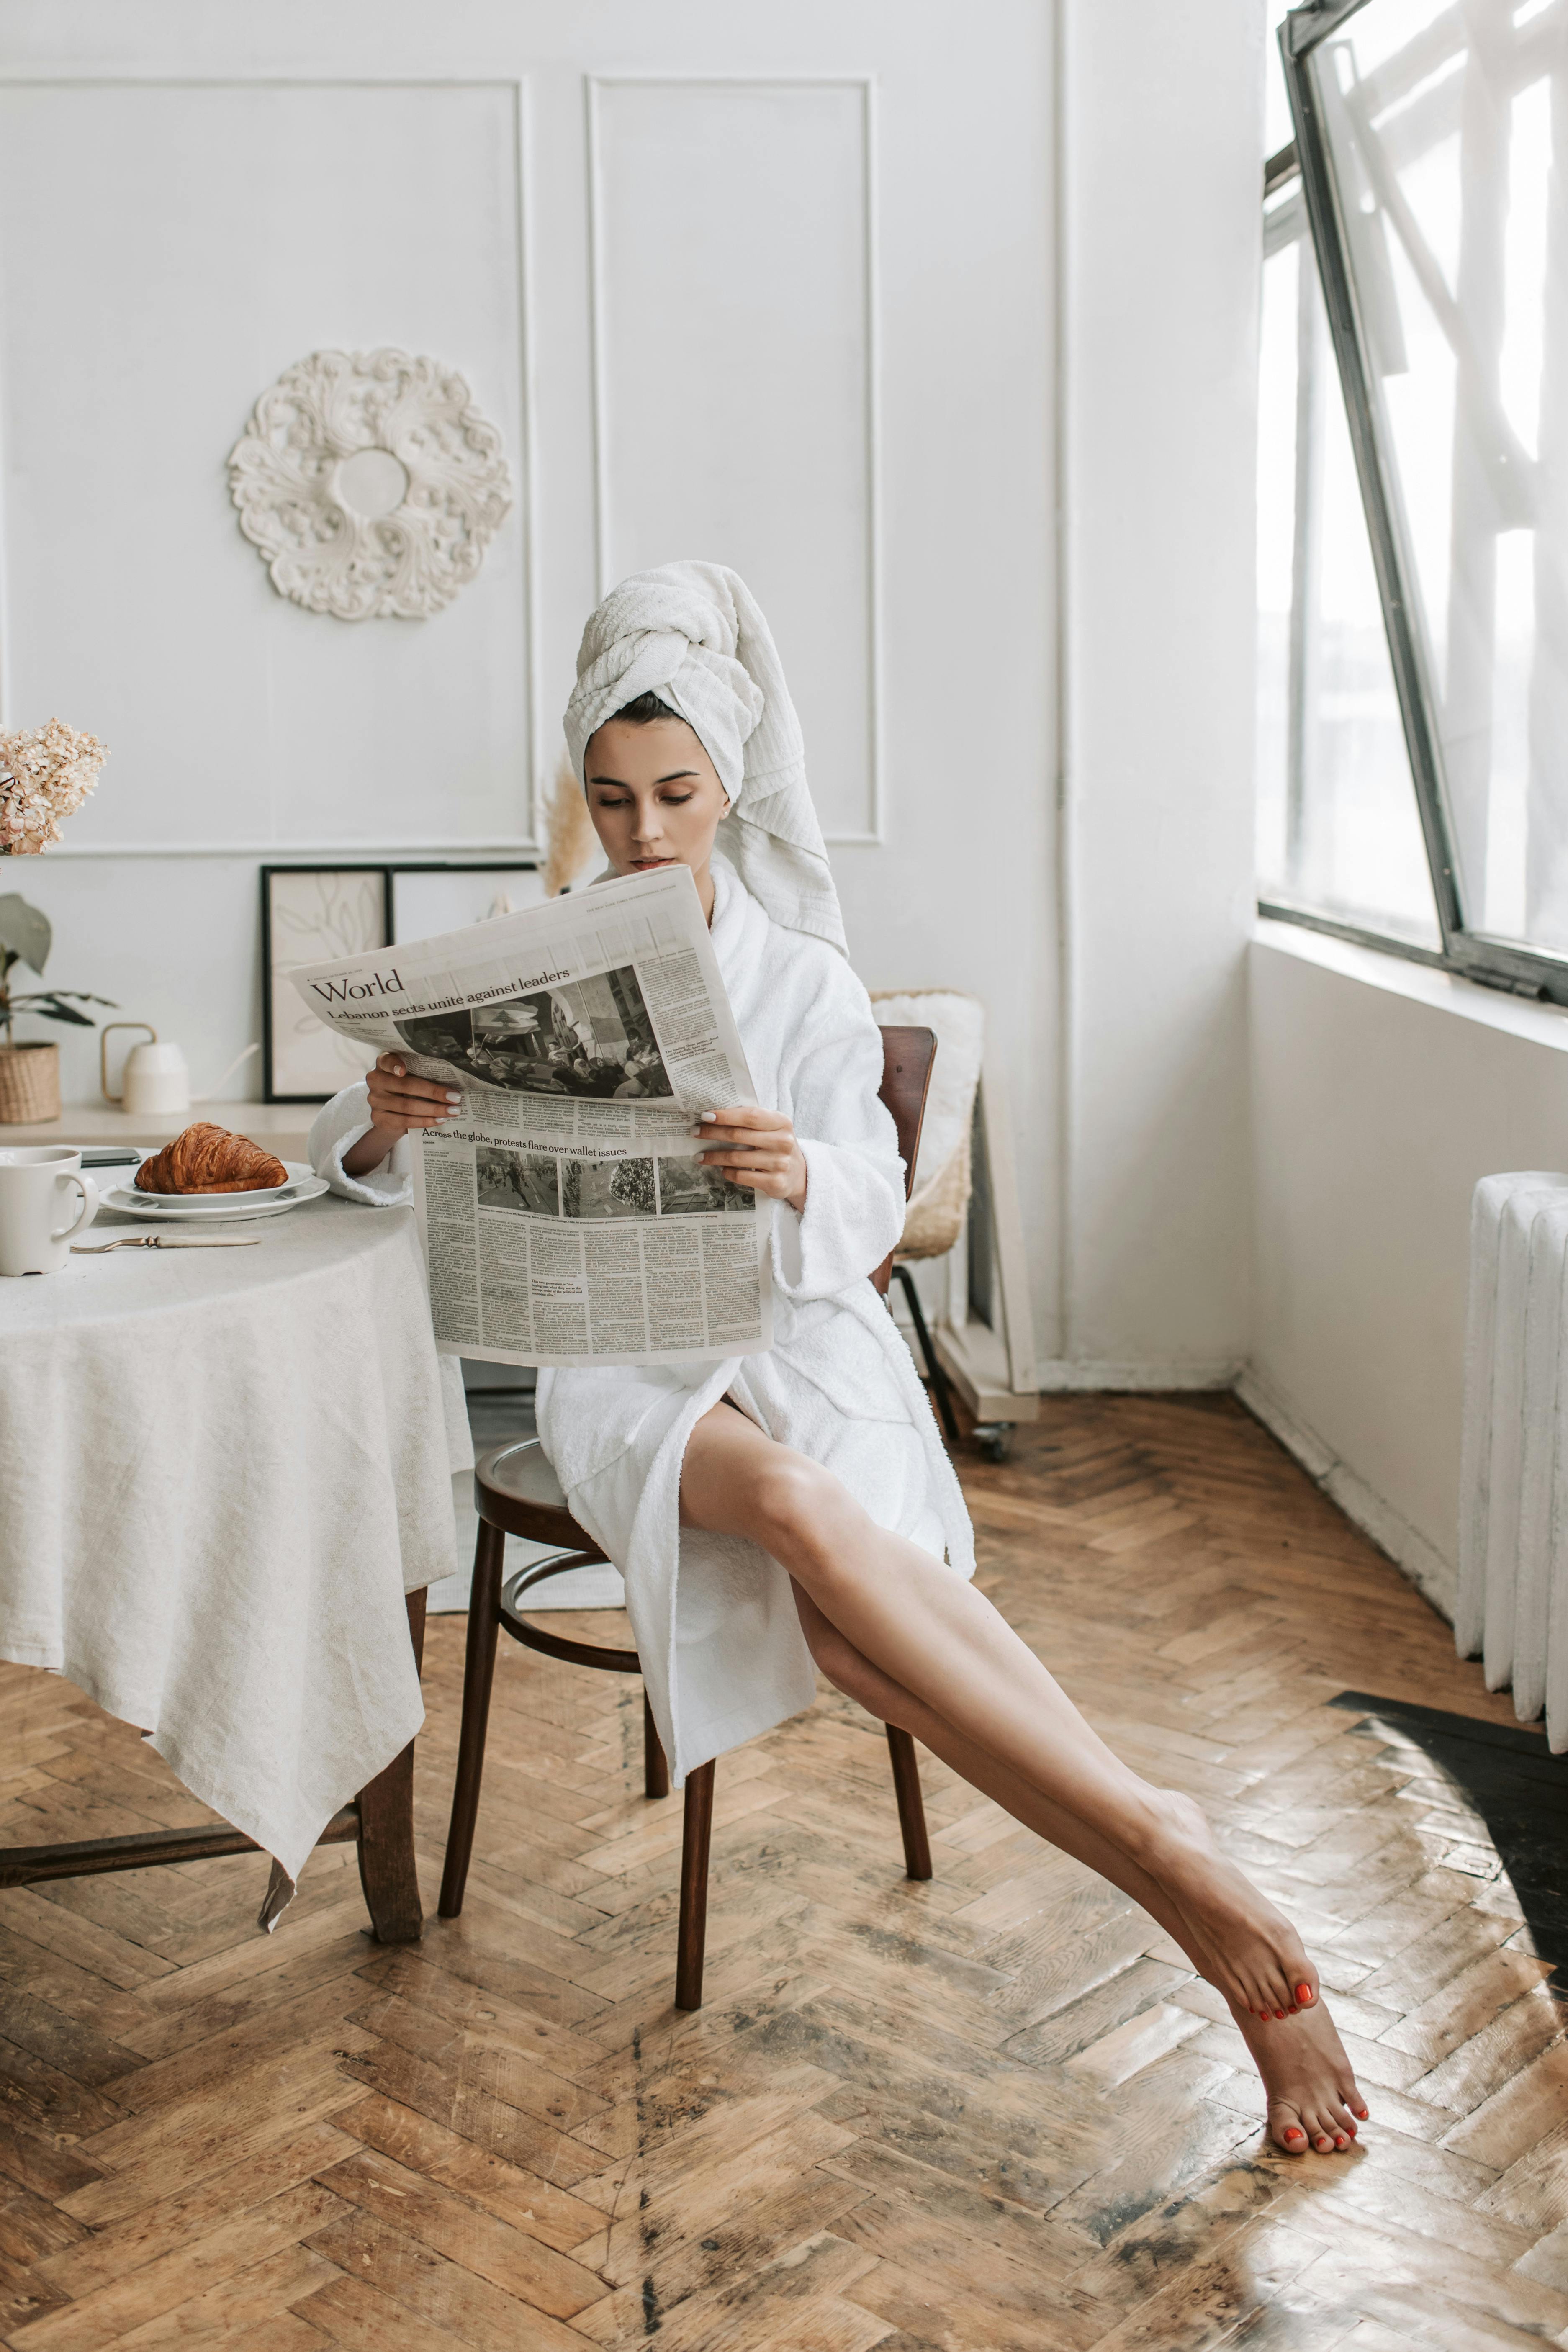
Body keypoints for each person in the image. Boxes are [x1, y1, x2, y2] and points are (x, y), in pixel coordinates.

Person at [309, 560, 1368, 2159]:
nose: (646, 832)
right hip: (627, 1370)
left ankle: (1176, 1862)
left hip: (801, 1335)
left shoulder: (800, 972)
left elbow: (873, 1196)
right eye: (612, 799)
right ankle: (1167, 1843)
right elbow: (349, 1164)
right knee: (804, 1517)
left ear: (729, 786)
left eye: (675, 794)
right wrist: (382, 1130)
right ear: (581, 798)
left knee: (866, 1641)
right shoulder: (531, 956)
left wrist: (795, 1167)